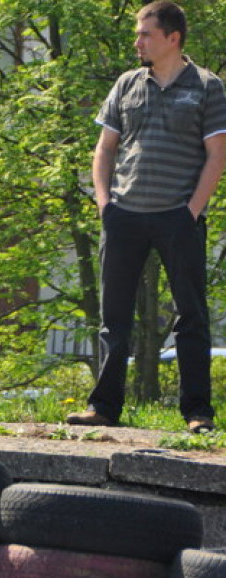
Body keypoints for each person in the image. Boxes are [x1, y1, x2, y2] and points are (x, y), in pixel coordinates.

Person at [67, 1, 226, 434]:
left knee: (190, 316)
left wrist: (190, 212)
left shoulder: (208, 87)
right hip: (125, 216)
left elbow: (217, 155)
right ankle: (103, 407)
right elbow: (105, 148)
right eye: (138, 34)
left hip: (178, 217)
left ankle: (197, 412)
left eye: (145, 34)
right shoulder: (126, 84)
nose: (137, 41)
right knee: (114, 317)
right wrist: (105, 204)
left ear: (172, 38)